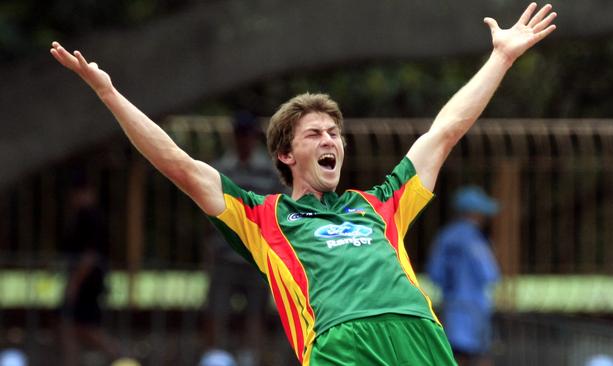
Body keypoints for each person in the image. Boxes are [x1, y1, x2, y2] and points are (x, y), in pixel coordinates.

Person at [50, 3, 556, 364]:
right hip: (342, 345)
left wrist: (501, 58)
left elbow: (444, 132)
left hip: (420, 336)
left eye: (335, 132)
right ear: (286, 155)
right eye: (315, 133)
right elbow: (179, 164)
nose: (330, 138)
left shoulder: (378, 203)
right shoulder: (260, 216)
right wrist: (109, 93)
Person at [203, 111, 284, 365]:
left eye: (247, 136)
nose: (244, 141)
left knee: (256, 314)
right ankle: (215, 357)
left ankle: (251, 359)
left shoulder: (269, 171)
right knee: (216, 311)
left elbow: (278, 209)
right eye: (240, 135)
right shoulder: (222, 169)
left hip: (255, 256)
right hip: (225, 255)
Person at [426, 186, 501, 366]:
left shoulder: (445, 237)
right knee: (481, 356)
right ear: (475, 213)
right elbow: (490, 274)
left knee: (454, 356)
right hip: (475, 308)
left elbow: (435, 273)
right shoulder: (474, 239)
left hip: (451, 307)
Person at [59, 175, 121, 365]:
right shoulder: (82, 216)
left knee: (84, 327)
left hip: (87, 282)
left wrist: (75, 283)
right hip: (84, 280)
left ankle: (122, 357)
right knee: (68, 327)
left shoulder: (90, 217)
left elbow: (90, 256)